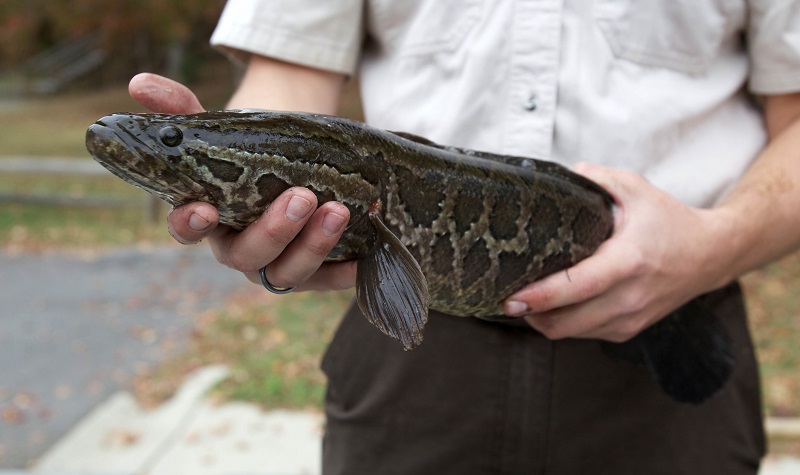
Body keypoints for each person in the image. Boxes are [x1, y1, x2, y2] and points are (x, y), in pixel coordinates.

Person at [130, 1, 800, 473]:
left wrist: (716, 243)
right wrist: (219, 147)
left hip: (673, 335)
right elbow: (292, 71)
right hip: (411, 349)